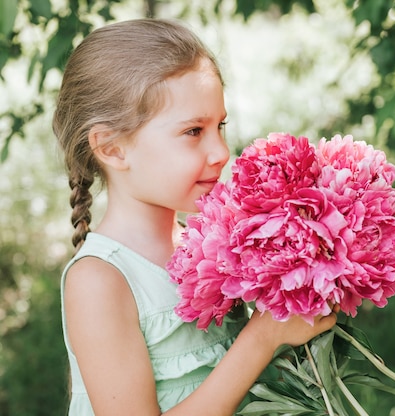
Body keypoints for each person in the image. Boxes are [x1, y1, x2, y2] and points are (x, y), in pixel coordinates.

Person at [53, 18, 337, 415]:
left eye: (219, 126)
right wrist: (263, 337)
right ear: (113, 148)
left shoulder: (207, 244)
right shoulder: (99, 281)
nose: (221, 151)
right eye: (193, 131)